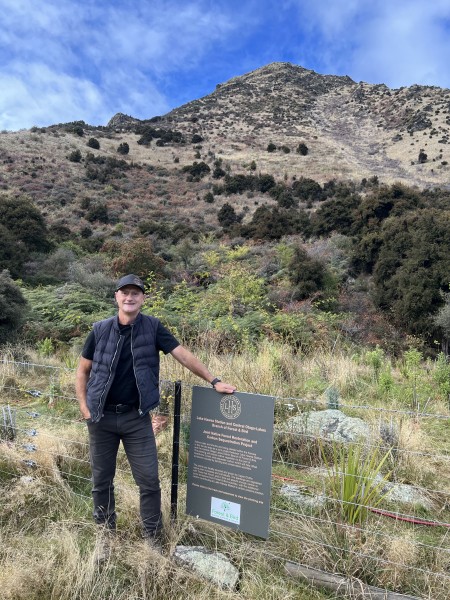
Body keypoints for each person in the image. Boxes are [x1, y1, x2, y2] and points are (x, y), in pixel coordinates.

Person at [76, 274, 236, 554]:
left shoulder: (153, 327)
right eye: (124, 292)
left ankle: (152, 539)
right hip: (101, 418)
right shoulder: (100, 330)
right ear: (116, 296)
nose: (130, 297)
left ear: (143, 298)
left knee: (149, 480)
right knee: (102, 480)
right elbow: (82, 371)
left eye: (135, 293)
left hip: (136, 418)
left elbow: (182, 354)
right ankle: (105, 536)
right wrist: (85, 408)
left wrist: (214, 380)